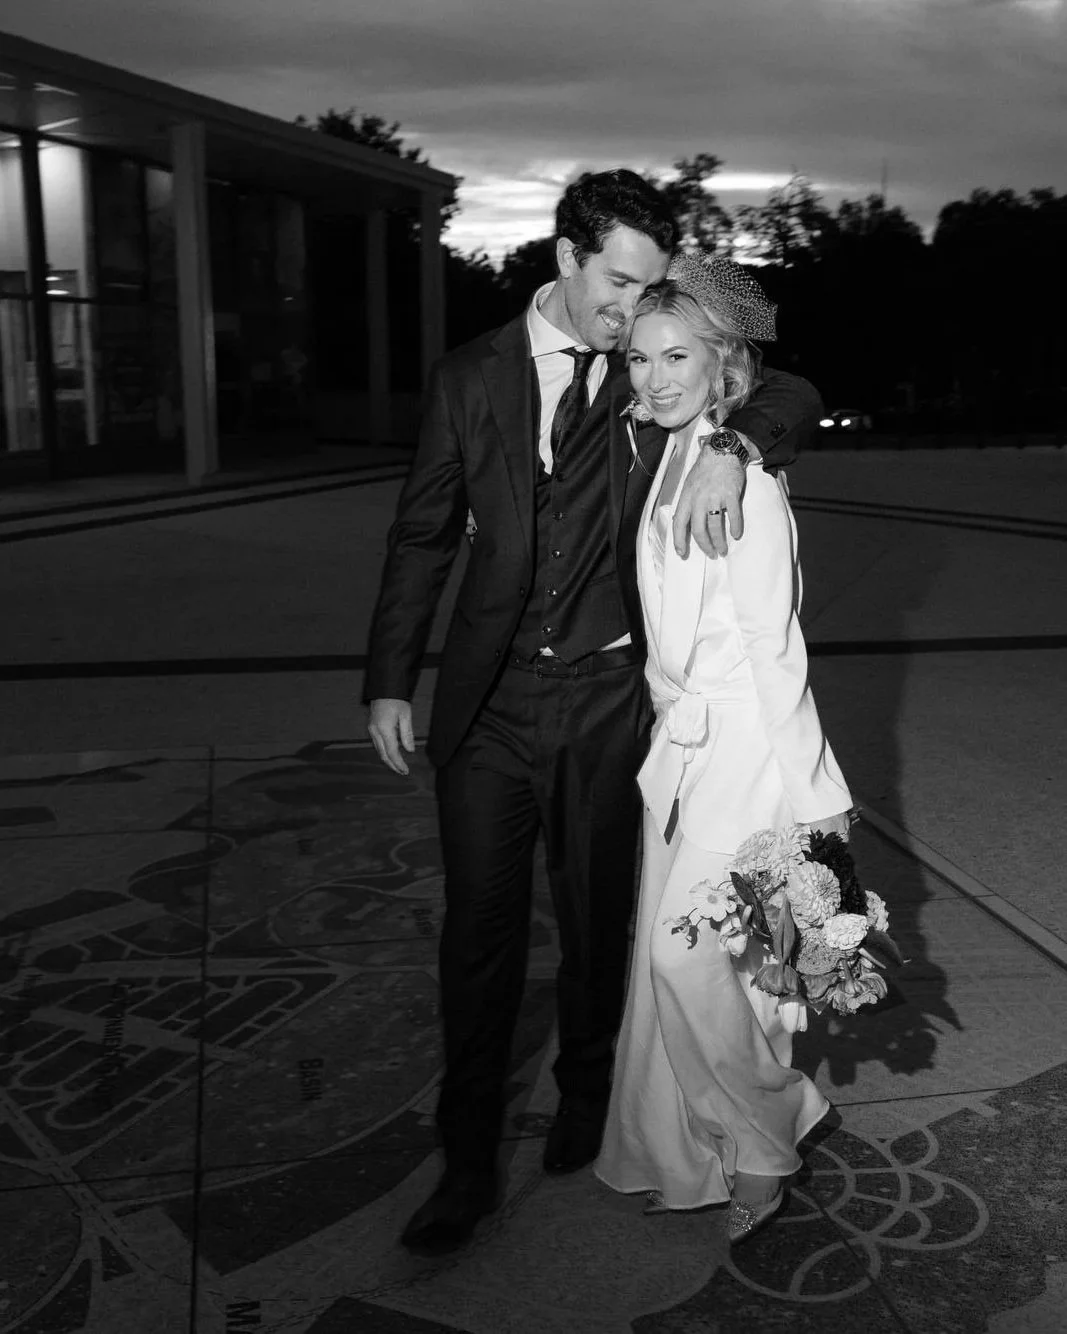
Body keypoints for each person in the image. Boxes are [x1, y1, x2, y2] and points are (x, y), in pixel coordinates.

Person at [365, 169, 825, 1256]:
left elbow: (783, 386)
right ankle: (465, 1163)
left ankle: (584, 1094)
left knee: (595, 924)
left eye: (653, 289)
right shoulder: (472, 374)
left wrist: (733, 442)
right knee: (475, 936)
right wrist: (390, 674)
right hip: (489, 704)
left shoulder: (665, 394)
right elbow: (422, 530)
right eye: (619, 284)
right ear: (566, 258)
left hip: (614, 702)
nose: (635, 313)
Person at [593, 252, 852, 1244]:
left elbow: (771, 647)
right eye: (638, 359)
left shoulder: (741, 482)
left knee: (682, 960)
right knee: (699, 967)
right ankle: (704, 1140)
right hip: (684, 747)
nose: (652, 378)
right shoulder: (666, 456)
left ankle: (768, 1127)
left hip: (743, 755)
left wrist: (816, 797)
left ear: (722, 366)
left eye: (675, 357)